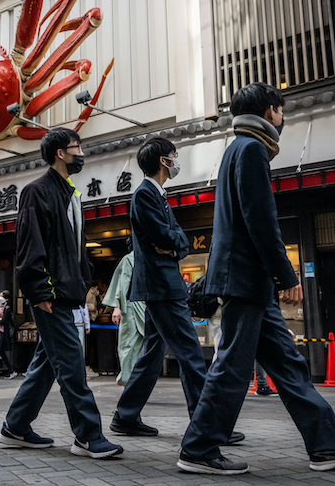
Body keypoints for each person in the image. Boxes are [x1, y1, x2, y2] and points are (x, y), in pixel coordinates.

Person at [179, 82, 335, 474]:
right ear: (270, 111)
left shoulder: (236, 148)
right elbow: (261, 220)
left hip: (247, 281)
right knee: (232, 367)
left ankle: (327, 445)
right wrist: (285, 273)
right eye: (282, 110)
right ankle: (199, 448)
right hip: (245, 281)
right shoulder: (251, 149)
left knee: (288, 365)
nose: (283, 118)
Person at [0, 128, 123, 459]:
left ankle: (15, 427)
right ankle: (87, 436)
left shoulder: (70, 192)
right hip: (51, 296)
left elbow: (77, 249)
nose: (81, 152)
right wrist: (40, 291)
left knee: (46, 366)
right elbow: (30, 245)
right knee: (71, 365)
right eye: (76, 147)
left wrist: (83, 280)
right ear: (60, 153)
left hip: (68, 294)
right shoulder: (36, 192)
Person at [110, 137, 245, 445]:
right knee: (191, 354)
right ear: (163, 161)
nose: (176, 160)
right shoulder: (145, 195)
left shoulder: (156, 194)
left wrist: (175, 244)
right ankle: (206, 424)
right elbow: (163, 236)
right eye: (174, 155)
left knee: (151, 356)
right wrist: (174, 244)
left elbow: (176, 240)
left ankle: (125, 416)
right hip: (162, 287)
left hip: (162, 285)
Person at [101, 244, 146, 386]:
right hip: (130, 305)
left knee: (140, 343)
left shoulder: (145, 258)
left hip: (143, 304)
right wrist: (117, 307)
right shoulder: (129, 259)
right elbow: (122, 284)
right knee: (128, 343)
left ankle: (136, 376)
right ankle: (126, 377)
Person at [71, 303, 93, 378]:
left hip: (71, 323)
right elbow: (84, 309)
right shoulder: (79, 294)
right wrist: (87, 324)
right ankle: (79, 370)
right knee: (79, 348)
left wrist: (87, 324)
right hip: (78, 323)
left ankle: (75, 370)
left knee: (75, 348)